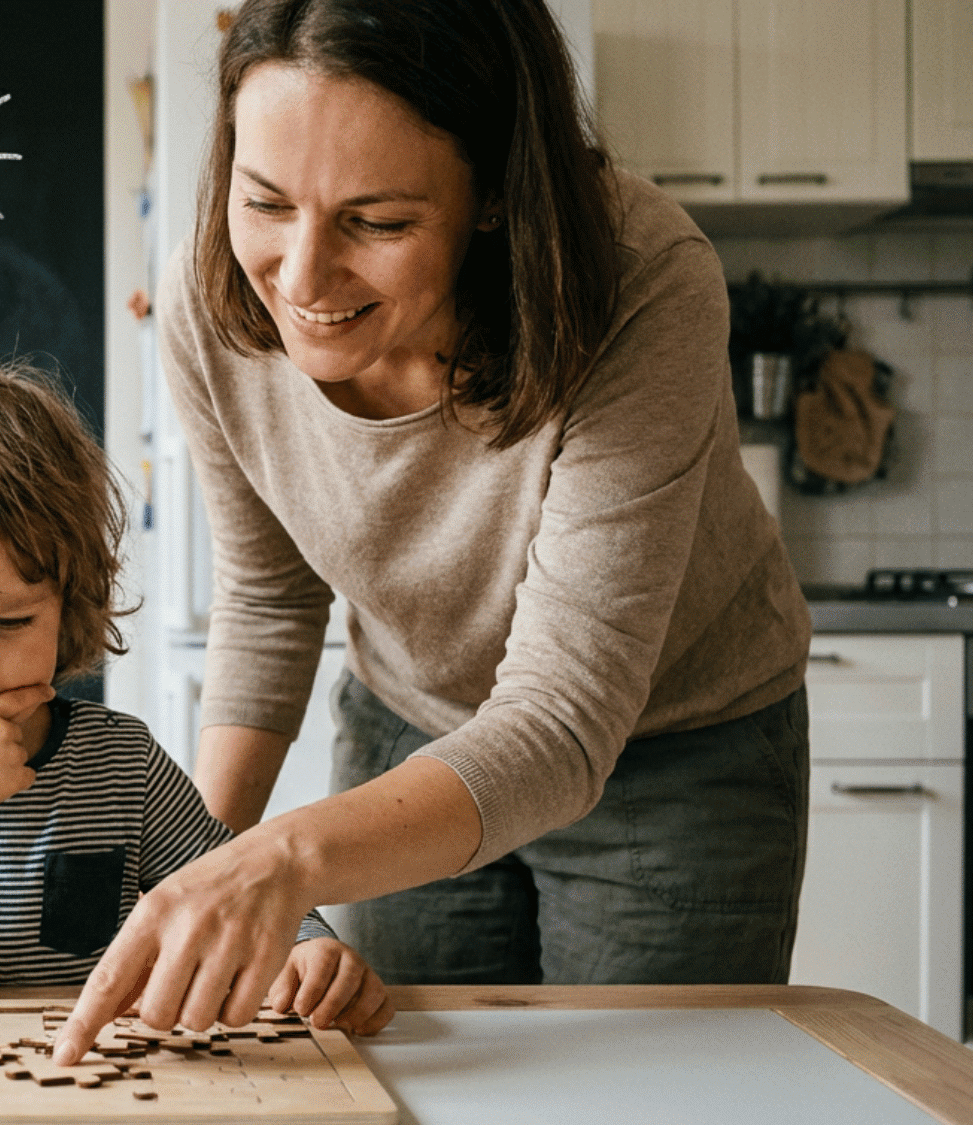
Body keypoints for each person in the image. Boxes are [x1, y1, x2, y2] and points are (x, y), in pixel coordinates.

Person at [53, 0, 811, 1064]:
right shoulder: (212, 301)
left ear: (494, 197)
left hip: (674, 748)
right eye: (265, 201)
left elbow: (559, 718)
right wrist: (190, 875)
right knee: (408, 1077)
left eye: (377, 222)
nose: (301, 281)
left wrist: (273, 865)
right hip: (408, 725)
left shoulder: (639, 276)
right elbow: (270, 603)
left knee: (640, 1088)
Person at [0, 351, 394, 1035]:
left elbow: (232, 887)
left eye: (10, 620)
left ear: (67, 604)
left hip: (78, 1082)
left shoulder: (121, 763)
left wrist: (306, 951)